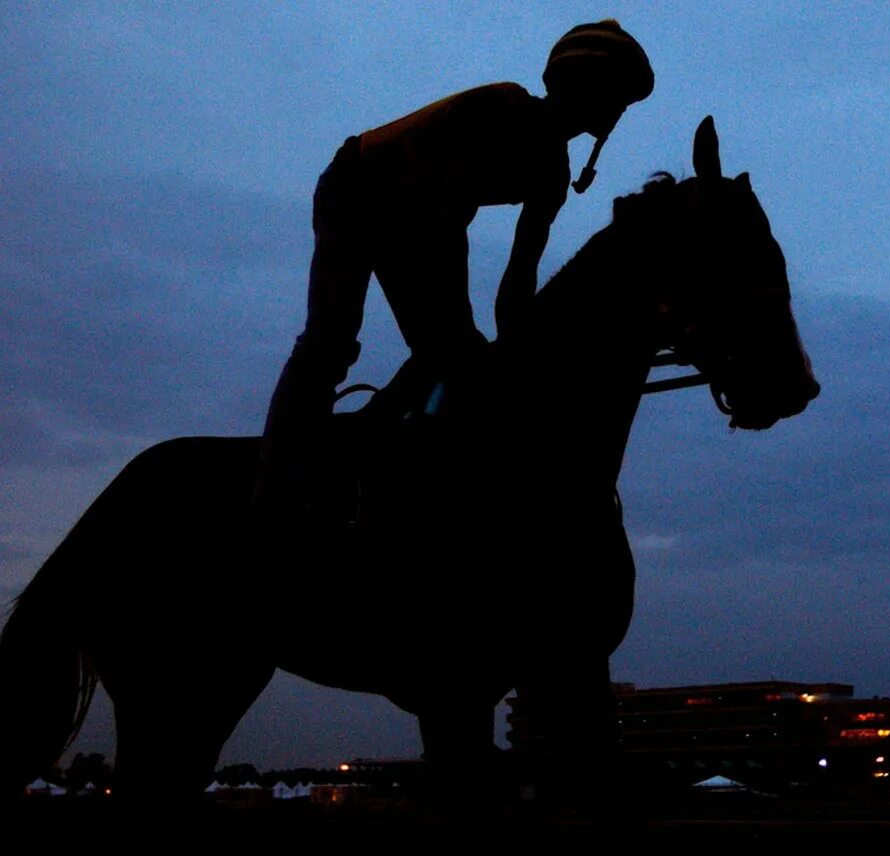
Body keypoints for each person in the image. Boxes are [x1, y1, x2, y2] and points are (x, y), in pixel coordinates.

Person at [256, 20, 654, 519]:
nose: (619, 110)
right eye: (616, 94)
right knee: (331, 341)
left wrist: (517, 351)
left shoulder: (552, 174)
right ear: (581, 85)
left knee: (458, 357)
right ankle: (278, 489)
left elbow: (519, 278)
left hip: (421, 215)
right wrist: (468, 338)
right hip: (358, 187)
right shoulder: (499, 107)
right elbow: (443, 220)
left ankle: (378, 450)